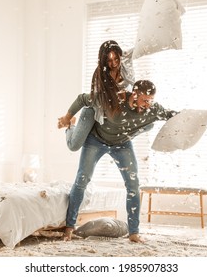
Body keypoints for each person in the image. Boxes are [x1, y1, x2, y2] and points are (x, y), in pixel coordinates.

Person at [58, 80, 179, 243]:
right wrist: (67, 118)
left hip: (122, 144)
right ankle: (69, 227)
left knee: (133, 185)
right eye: (144, 100)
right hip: (96, 139)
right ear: (134, 94)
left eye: (150, 101)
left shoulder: (153, 109)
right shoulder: (113, 99)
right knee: (82, 180)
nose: (147, 105)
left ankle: (134, 232)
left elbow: (174, 116)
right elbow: (82, 99)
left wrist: (192, 118)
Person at [64, 40, 138, 152]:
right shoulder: (101, 80)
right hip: (94, 110)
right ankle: (71, 127)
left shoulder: (125, 60)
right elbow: (81, 99)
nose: (114, 64)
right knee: (73, 146)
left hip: (113, 112)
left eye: (116, 59)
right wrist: (66, 118)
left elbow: (142, 47)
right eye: (109, 61)